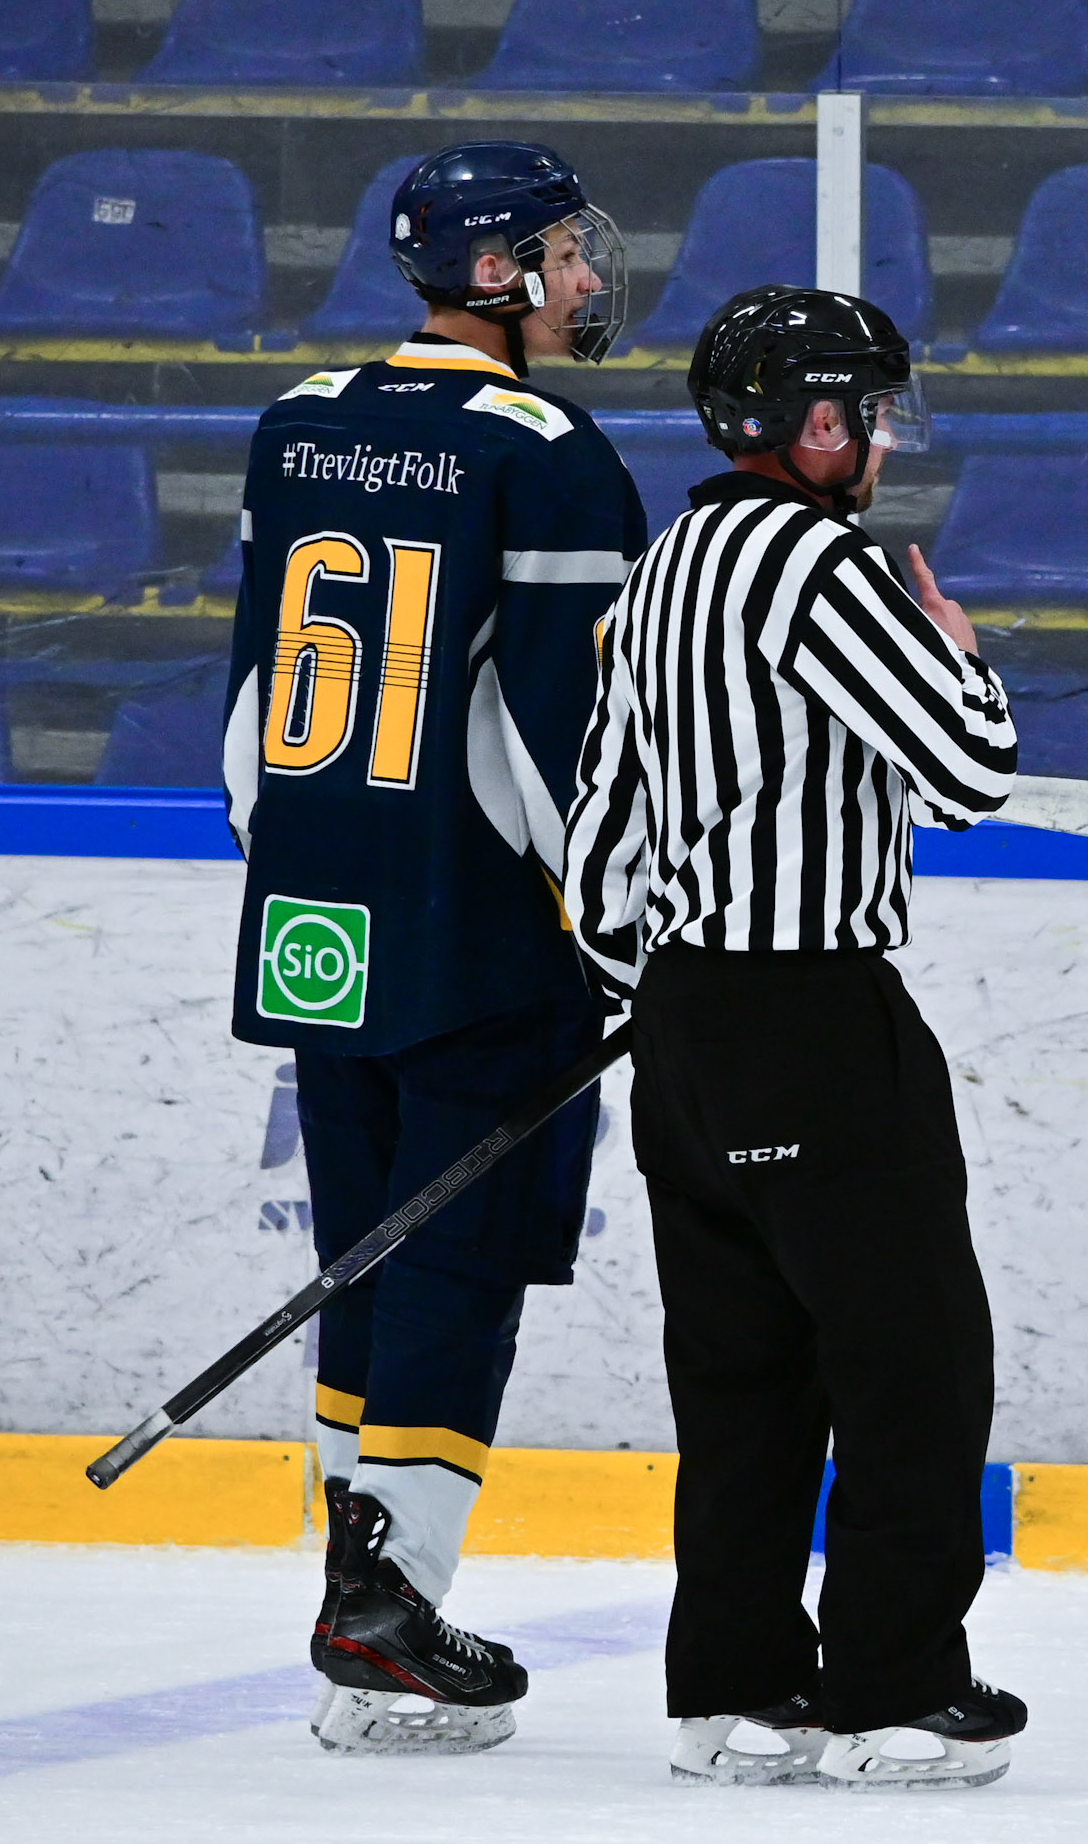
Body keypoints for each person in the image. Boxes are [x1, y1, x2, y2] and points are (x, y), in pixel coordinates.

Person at [563, 284, 1026, 1791]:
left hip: (687, 1025)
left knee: (741, 1381)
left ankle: (733, 1691)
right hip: (817, 1019)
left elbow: (600, 844)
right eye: (871, 412)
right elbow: (966, 773)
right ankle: (893, 1694)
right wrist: (956, 651)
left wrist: (664, 997)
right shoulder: (820, 567)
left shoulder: (663, 566)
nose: (883, 440)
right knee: (912, 1365)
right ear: (816, 423)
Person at [223, 142, 646, 1755]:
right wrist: (617, 930)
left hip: (316, 918)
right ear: (493, 274)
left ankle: (357, 1582)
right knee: (455, 1264)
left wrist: (304, 863)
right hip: (477, 928)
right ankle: (386, 1605)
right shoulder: (545, 453)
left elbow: (252, 712)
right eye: (564, 253)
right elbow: (551, 742)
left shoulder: (301, 421)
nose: (587, 279)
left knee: (362, 1254)